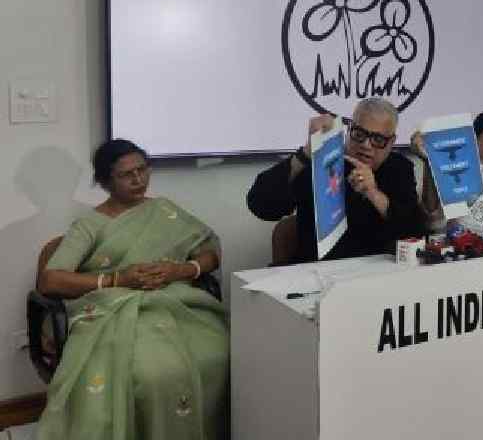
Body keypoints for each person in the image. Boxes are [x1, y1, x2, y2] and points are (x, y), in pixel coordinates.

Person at [36, 139, 228, 440]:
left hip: (178, 303)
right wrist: (117, 280)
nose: (138, 179)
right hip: (113, 312)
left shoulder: (165, 211)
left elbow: (211, 253)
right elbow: (50, 281)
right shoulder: (89, 225)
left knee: (221, 354)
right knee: (151, 373)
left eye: (142, 169)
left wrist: (180, 270)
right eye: (127, 174)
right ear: (106, 181)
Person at [247, 98, 425, 262]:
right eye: (359, 133)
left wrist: (373, 193)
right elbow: (261, 205)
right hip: (316, 270)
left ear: (391, 142)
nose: (366, 145)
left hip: (373, 273)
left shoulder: (399, 168)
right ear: (349, 129)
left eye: (378, 139)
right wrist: (306, 154)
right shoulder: (322, 160)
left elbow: (414, 232)